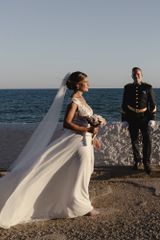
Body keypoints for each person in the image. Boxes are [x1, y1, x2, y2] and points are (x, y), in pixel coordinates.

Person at [0, 71, 105, 229]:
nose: (88, 84)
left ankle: (75, 202)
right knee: (81, 173)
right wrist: (87, 131)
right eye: (86, 82)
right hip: (77, 142)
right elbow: (67, 124)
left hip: (86, 141)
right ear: (78, 85)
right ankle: (83, 207)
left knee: (84, 172)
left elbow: (84, 122)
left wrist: (94, 135)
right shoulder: (74, 102)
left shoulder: (82, 99)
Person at [121, 67, 157, 174]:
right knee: (134, 140)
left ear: (141, 75)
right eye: (134, 74)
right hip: (132, 118)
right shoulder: (127, 88)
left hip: (144, 118)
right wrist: (124, 119)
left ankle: (147, 163)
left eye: (138, 74)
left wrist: (152, 118)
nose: (136, 76)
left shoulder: (147, 87)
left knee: (148, 140)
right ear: (132, 76)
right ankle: (137, 161)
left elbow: (153, 104)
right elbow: (124, 104)